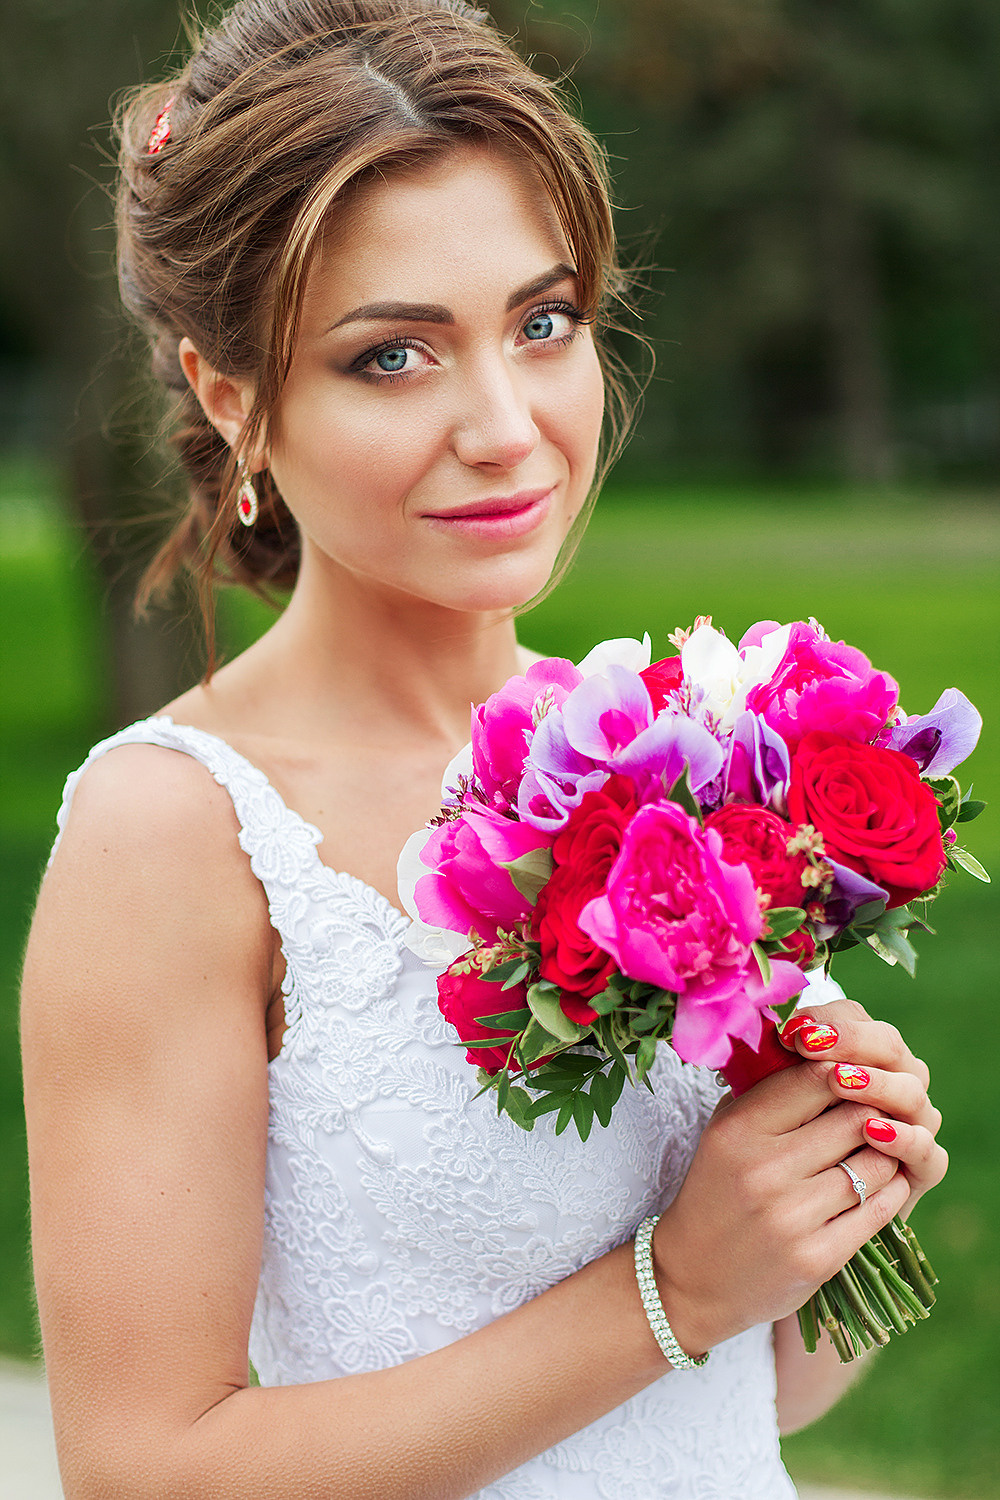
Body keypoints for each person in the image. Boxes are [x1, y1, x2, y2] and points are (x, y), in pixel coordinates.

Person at [20, 2, 947, 1496]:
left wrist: (839, 1197)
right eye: (395, 358)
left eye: (542, 322)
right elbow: (141, 1471)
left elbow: (753, 1401)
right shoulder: (173, 835)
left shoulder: (681, 749)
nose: (508, 427)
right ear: (230, 397)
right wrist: (674, 1292)